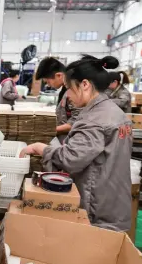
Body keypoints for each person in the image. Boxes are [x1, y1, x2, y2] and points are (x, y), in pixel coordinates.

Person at [20, 55, 132, 232]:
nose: (68, 96)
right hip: (115, 204)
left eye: (69, 89)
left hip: (98, 209)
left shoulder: (94, 119)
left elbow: (71, 159)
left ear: (85, 84)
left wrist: (41, 148)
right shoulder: (114, 112)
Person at [35, 57, 81, 143]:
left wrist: (49, 130)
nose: (48, 85)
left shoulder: (73, 92)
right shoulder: (65, 90)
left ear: (59, 75)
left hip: (71, 142)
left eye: (48, 82)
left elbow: (77, 122)